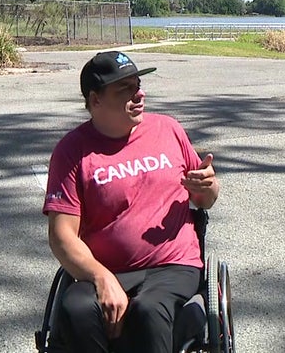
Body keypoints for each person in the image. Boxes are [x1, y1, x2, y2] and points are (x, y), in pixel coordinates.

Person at [42, 50, 220, 353]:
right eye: (125, 89)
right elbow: (62, 237)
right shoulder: (72, 151)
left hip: (172, 265)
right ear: (95, 100)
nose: (139, 94)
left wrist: (207, 186)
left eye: (138, 85)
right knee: (77, 310)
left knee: (148, 310)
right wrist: (102, 278)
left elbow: (205, 199)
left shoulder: (168, 129)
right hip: (104, 267)